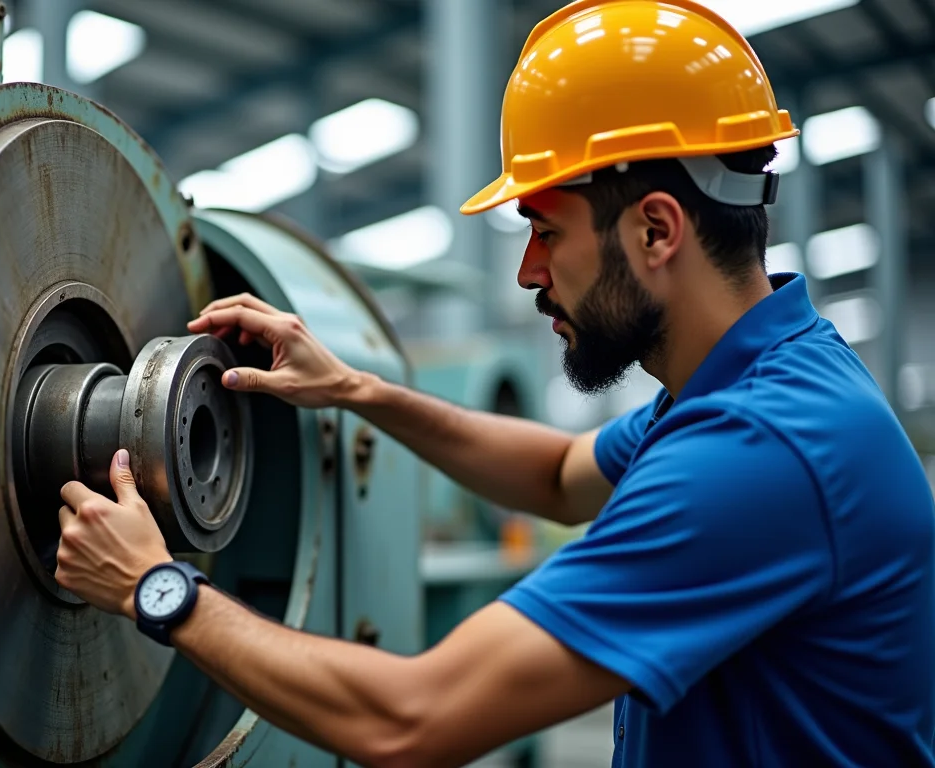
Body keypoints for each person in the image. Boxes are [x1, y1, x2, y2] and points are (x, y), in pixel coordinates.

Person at [54, 1, 935, 766]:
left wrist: (156, 587)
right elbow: (555, 475)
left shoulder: (760, 454)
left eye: (546, 231)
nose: (526, 271)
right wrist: (357, 388)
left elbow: (413, 719)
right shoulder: (748, 387)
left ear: (656, 231)